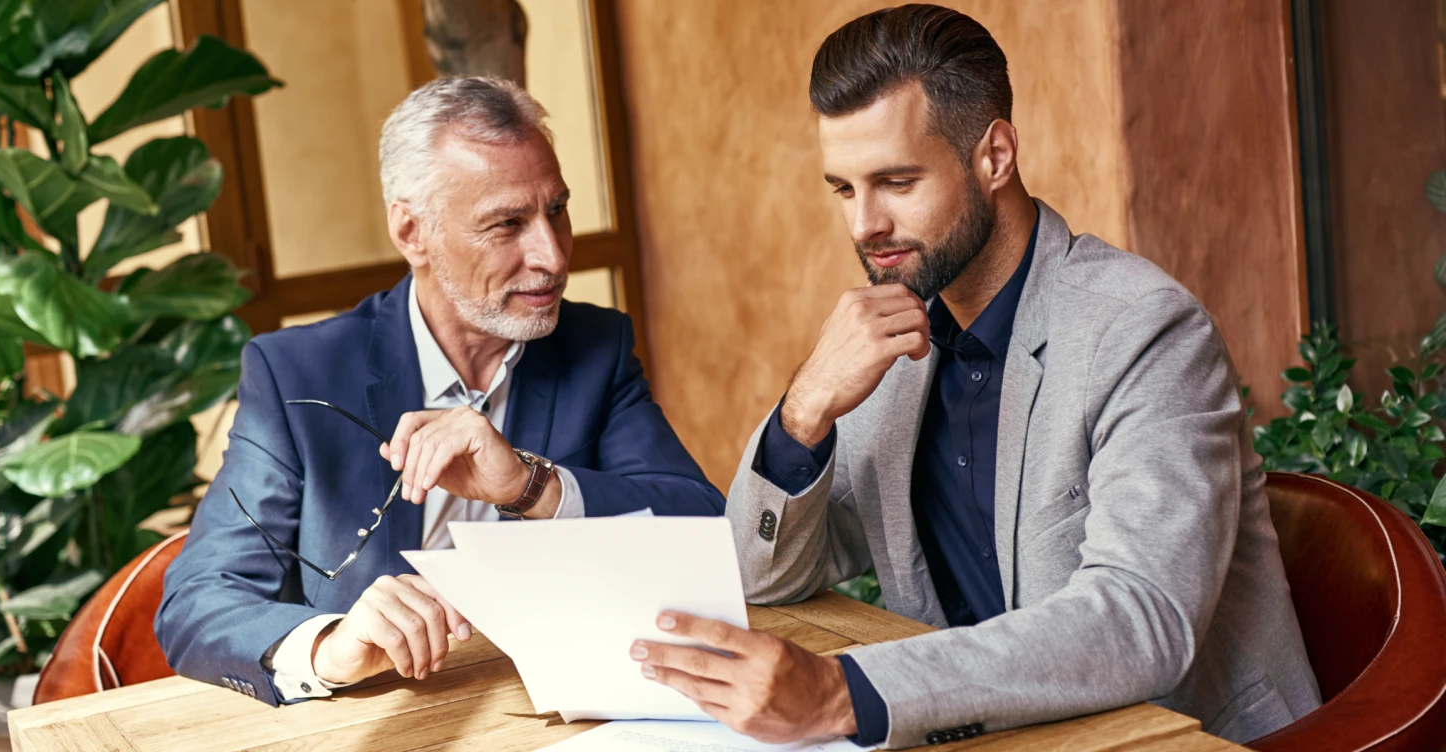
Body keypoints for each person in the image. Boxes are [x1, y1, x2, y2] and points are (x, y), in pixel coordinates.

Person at [632, 6, 1320, 748]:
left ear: (994, 156)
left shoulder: (1142, 329)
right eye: (844, 189)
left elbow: (1140, 617)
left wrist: (846, 693)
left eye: (896, 181)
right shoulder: (894, 346)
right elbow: (764, 580)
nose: (864, 224)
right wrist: (804, 413)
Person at [157, 76, 724, 707]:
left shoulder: (596, 346)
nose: (554, 257)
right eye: (507, 223)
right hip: (385, 726)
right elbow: (198, 602)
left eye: (557, 210)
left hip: (562, 709)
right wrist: (330, 645)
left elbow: (703, 528)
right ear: (411, 232)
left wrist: (529, 486)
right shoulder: (295, 374)